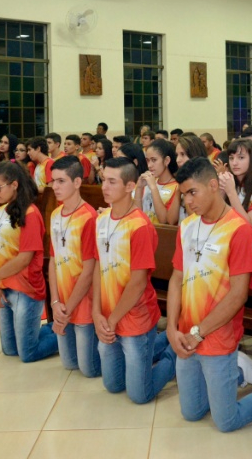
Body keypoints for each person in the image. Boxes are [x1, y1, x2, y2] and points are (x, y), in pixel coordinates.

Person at [167, 157, 252, 431]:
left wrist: (199, 332)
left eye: (192, 192)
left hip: (216, 336)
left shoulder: (239, 229)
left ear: (212, 185)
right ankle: (237, 373)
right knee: (192, 413)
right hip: (186, 336)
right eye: (183, 194)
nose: (188, 201)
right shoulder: (186, 227)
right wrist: (172, 328)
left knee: (225, 421)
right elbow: (176, 279)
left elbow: (238, 295)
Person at [92, 157, 176, 404]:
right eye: (103, 180)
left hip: (135, 318)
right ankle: (154, 347)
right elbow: (99, 267)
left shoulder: (139, 226)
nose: (104, 187)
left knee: (140, 395)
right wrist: (97, 313)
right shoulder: (101, 220)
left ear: (130, 187)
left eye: (111, 182)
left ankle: (175, 355)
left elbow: (138, 282)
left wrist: (112, 320)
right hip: (108, 316)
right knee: (113, 385)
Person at [0, 160, 57, 363]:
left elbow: (25, 258)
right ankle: (47, 329)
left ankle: (64, 331)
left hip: (25, 289)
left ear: (14, 185)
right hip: (4, 286)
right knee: (10, 350)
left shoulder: (30, 214)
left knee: (28, 353)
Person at [47, 157, 101, 377]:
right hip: (63, 302)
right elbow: (53, 260)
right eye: (53, 181)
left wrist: (67, 309)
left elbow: (89, 271)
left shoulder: (88, 217)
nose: (55, 187)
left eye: (61, 181)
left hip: (83, 303)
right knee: (69, 364)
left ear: (77, 182)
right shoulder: (54, 214)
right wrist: (55, 302)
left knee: (88, 370)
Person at [219, 138, 252, 234]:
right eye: (231, 158)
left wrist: (231, 192)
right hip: (228, 235)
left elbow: (249, 224)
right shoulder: (229, 181)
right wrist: (222, 193)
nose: (234, 163)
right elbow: (216, 216)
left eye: (241, 158)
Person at [134, 139, 181, 225]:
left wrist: (153, 188)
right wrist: (139, 188)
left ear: (166, 160)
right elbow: (137, 217)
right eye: (147, 160)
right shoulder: (148, 182)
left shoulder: (177, 187)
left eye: (154, 160)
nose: (149, 165)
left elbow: (164, 220)